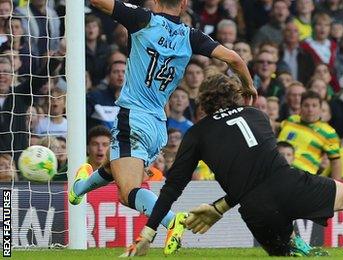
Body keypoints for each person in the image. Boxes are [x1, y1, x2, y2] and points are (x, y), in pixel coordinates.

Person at [124, 73, 343, 257]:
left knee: (283, 250)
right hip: (291, 186)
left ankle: (291, 245)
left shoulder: (196, 134)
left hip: (256, 210)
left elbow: (173, 187)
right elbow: (262, 168)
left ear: (203, 103)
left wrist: (150, 233)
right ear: (236, 97)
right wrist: (220, 206)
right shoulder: (258, 116)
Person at [68, 0, 256, 256]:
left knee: (128, 193)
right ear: (184, 4)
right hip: (158, 123)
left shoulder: (143, 19)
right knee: (114, 165)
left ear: (156, 1)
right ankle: (79, 189)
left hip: (133, 117)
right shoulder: (191, 36)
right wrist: (248, 86)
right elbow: (234, 59)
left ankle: (170, 220)